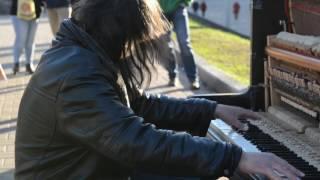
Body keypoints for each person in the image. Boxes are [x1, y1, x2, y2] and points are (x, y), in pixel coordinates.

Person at [15, 0, 304, 180]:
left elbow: (141, 106)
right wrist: (235, 158)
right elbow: (136, 142)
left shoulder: (84, 53)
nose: (137, 47)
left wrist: (212, 108)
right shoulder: (78, 75)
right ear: (119, 31)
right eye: (136, 38)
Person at [158, 0, 200, 89]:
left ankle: (193, 79)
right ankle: (172, 75)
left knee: (184, 43)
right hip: (160, 10)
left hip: (178, 7)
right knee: (165, 45)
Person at [10, 0, 43, 75]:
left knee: (30, 41)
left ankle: (29, 64)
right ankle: (16, 63)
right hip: (18, 12)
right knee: (21, 39)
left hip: (35, 12)